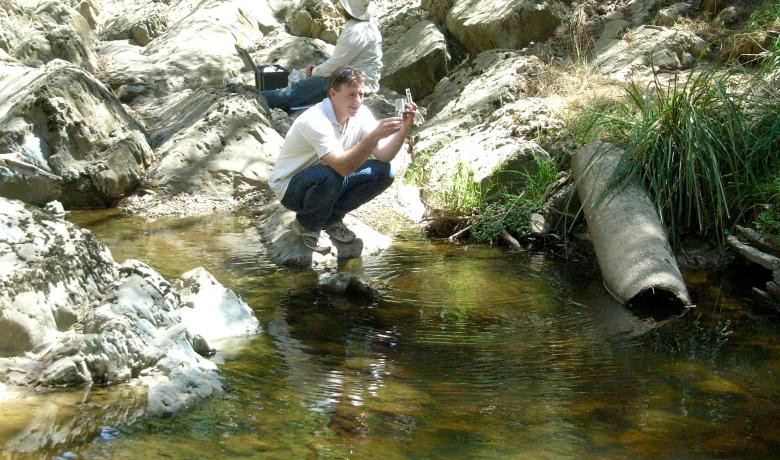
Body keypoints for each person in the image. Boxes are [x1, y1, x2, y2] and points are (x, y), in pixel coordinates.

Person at [268, 65, 416, 254]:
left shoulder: (360, 114)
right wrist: (374, 136)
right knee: (331, 175)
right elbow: (342, 167)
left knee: (384, 172)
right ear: (333, 94)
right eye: (351, 95)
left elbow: (385, 155)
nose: (358, 101)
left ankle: (331, 218)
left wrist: (404, 128)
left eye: (361, 95)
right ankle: (306, 224)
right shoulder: (315, 120)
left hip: (328, 177)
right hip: (291, 188)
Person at [262, 0, 382, 110]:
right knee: (308, 82)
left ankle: (258, 98)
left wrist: (314, 72)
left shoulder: (355, 31)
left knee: (294, 93)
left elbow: (336, 65)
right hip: (363, 81)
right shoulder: (369, 27)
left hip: (351, 83)